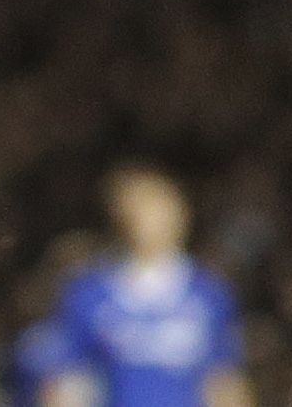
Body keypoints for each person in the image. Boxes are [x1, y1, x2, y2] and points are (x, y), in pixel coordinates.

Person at [38, 166, 250, 407]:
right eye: (141, 213)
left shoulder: (208, 294)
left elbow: (224, 380)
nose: (150, 223)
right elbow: (67, 379)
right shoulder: (88, 294)